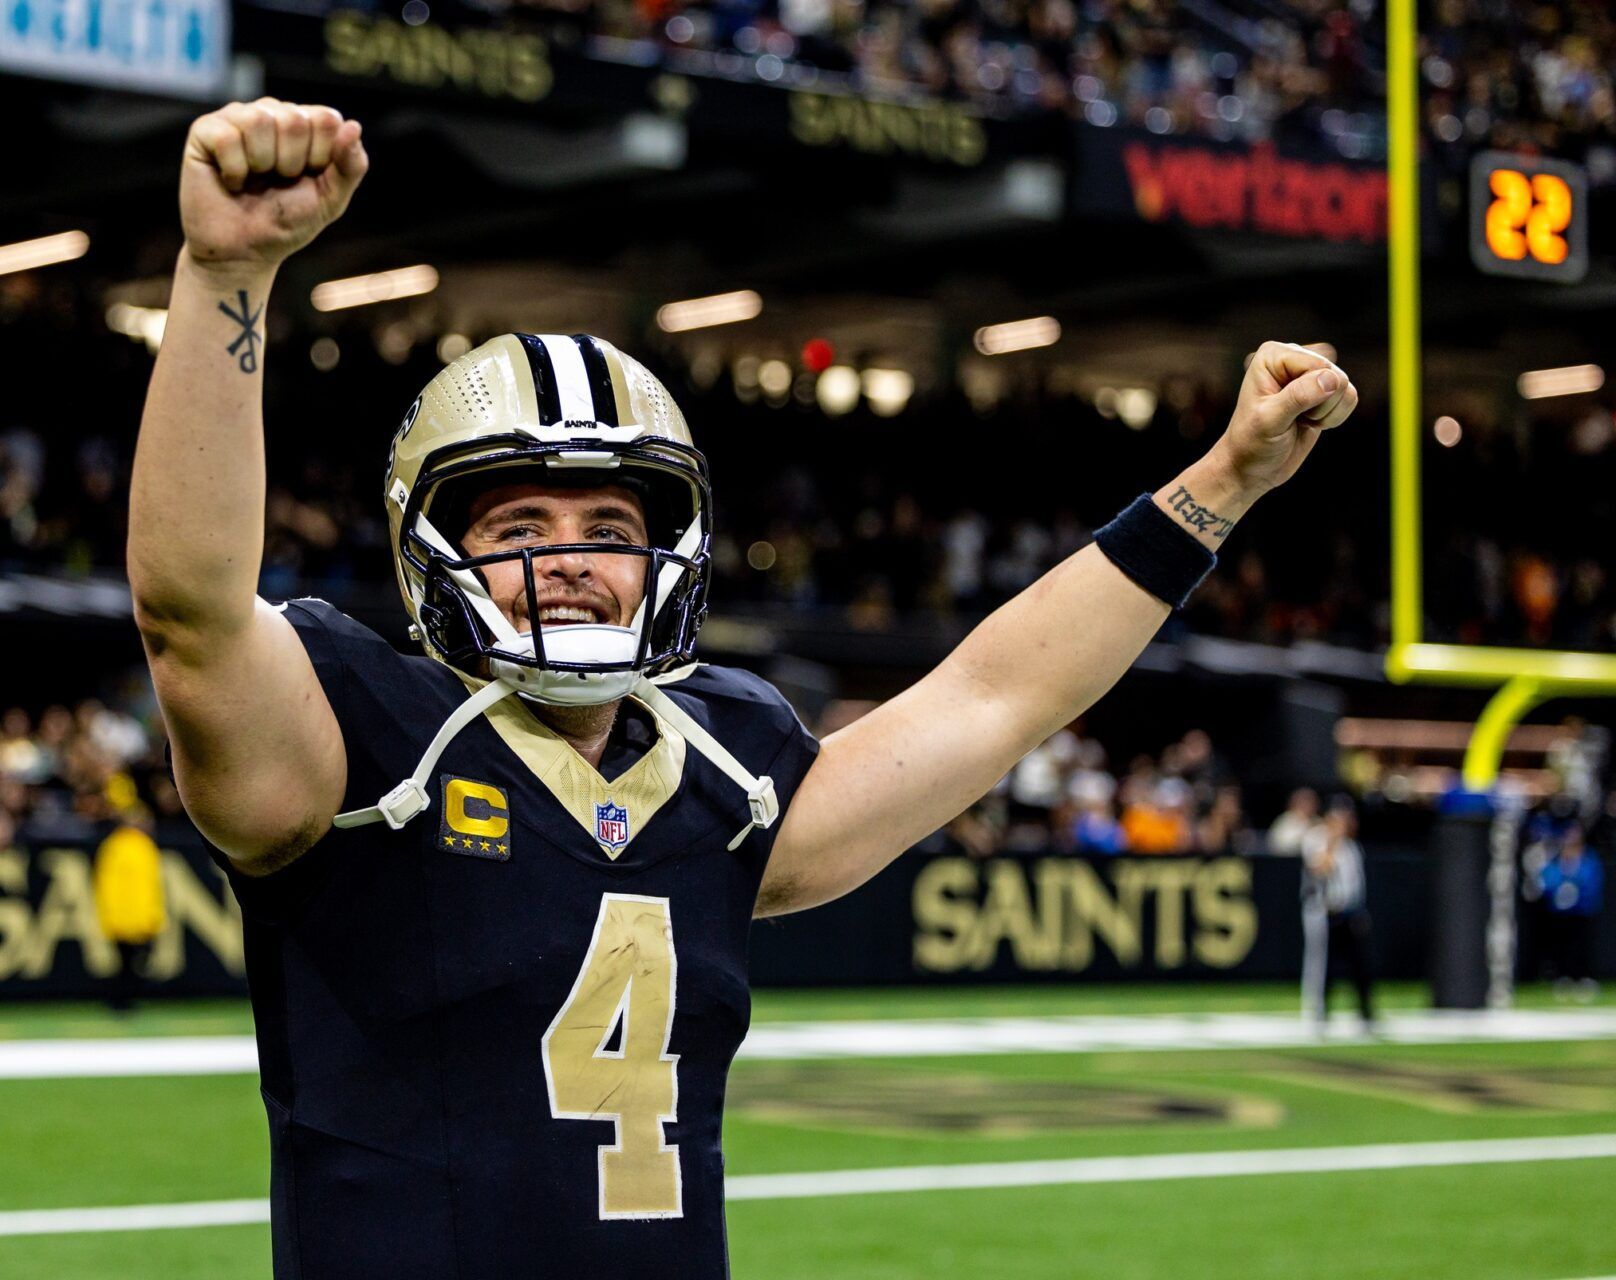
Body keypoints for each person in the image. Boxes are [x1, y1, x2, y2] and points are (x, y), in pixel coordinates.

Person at [127, 97, 1360, 1279]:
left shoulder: (723, 766)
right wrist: (227, 275)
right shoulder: (357, 744)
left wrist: (1221, 483)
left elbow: (996, 697)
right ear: (429, 543)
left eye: (610, 521)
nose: (569, 555)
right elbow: (189, 611)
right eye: (520, 518)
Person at [1300, 796, 1376, 1031]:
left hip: (1350, 912)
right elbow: (1320, 869)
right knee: (1322, 966)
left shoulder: (1352, 846)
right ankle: (1318, 1011)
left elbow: (1355, 884)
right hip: (1325, 912)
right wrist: (1332, 841)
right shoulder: (1316, 839)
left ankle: (1366, 1013)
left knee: (1359, 965)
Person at [92, 810, 167, 1012]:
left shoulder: (133, 846)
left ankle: (126, 1000)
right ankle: (120, 1001)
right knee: (126, 965)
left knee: (131, 965)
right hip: (129, 919)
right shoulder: (123, 846)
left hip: (134, 918)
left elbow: (150, 887)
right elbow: (112, 887)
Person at [1538, 822, 1604, 1000]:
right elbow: (1547, 878)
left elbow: (1592, 880)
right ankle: (1563, 977)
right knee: (1562, 945)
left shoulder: (1588, 859)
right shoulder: (1557, 860)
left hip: (1581, 910)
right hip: (1560, 912)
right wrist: (1559, 890)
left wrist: (1576, 891)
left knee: (1582, 945)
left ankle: (1583, 977)